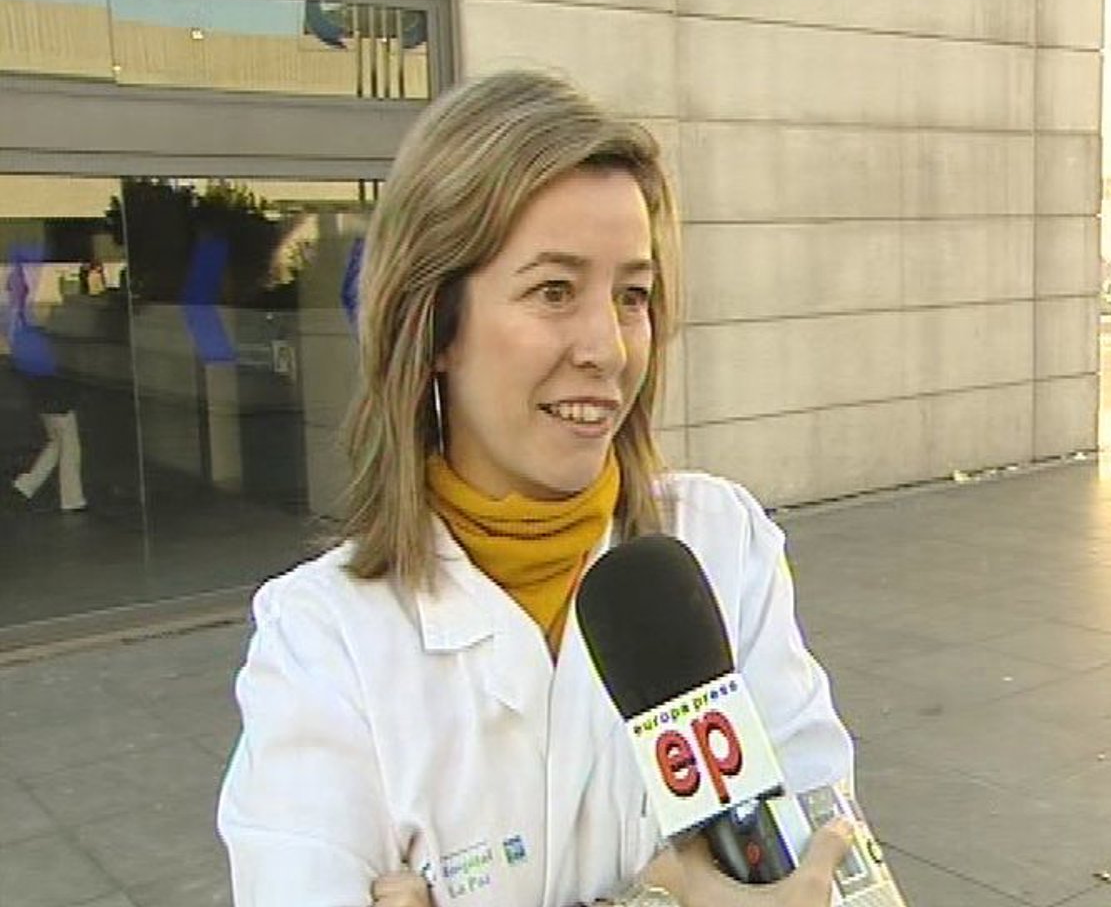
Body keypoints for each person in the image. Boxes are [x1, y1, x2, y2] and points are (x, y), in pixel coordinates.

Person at [217, 69, 854, 907]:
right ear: (434, 324)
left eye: (632, 295)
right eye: (554, 291)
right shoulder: (322, 640)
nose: (609, 348)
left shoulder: (720, 545)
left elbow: (822, 865)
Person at [6, 259, 86, 512]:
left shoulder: (14, 321)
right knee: (69, 443)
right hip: (52, 389)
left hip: (39, 389)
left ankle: (27, 485)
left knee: (56, 442)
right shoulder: (26, 321)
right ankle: (72, 498)